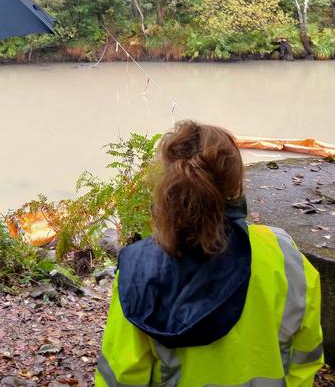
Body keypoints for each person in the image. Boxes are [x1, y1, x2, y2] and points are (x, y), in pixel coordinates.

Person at [95, 121, 323, 387]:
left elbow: (121, 377)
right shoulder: (283, 253)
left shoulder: (139, 269)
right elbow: (305, 354)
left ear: (167, 184)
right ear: (236, 185)